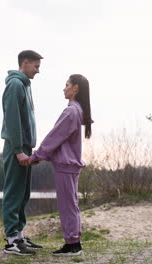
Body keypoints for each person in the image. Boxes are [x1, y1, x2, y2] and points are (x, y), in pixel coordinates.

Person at [30, 74, 93, 256]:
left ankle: (72, 244)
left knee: (67, 205)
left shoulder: (71, 111)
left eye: (67, 85)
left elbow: (55, 136)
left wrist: (37, 156)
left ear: (76, 88)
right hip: (70, 165)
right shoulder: (77, 110)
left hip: (66, 165)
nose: (64, 88)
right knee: (71, 204)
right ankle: (74, 243)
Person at [1, 50, 44, 256]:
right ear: (25, 63)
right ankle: (11, 241)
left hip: (25, 147)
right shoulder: (15, 85)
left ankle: (19, 236)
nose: (37, 71)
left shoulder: (25, 85)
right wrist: (18, 151)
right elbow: (12, 121)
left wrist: (28, 148)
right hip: (15, 148)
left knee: (23, 194)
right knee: (13, 193)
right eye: (36, 66)